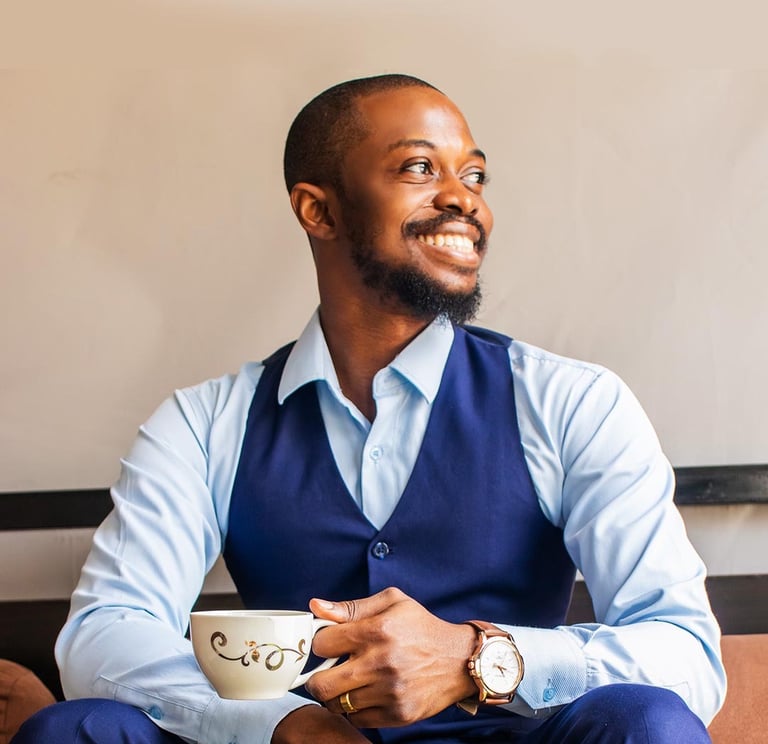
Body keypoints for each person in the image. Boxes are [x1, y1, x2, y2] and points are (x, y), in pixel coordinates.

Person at [14, 74, 725, 744]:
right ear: (317, 209)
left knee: (649, 721)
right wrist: (281, 724)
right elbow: (105, 632)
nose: (464, 200)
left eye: (473, 175)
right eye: (420, 168)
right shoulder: (204, 424)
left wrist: (479, 659)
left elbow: (686, 649)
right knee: (74, 731)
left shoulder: (571, 401)